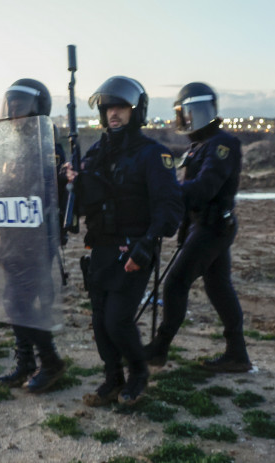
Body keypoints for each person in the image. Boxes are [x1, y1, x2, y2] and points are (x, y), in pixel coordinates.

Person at [69, 76, 183, 406]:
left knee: (118, 320)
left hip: (134, 249)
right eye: (108, 109)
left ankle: (138, 373)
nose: (113, 114)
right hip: (100, 249)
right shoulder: (95, 153)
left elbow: (169, 206)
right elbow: (84, 200)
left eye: (120, 107)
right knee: (100, 321)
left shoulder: (153, 154)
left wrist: (146, 246)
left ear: (136, 111)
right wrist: (72, 181)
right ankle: (112, 378)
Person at [143, 82, 251, 373]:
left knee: (176, 283)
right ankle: (237, 354)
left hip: (214, 227)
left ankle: (160, 348)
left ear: (201, 111)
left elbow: (204, 188)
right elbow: (191, 195)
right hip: (204, 226)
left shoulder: (223, 144)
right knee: (219, 288)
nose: (185, 120)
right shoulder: (200, 145)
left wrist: (167, 191)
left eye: (187, 113)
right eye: (182, 114)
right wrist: (181, 230)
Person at [0, 78, 69, 393]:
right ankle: (25, 361)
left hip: (36, 238)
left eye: (19, 109)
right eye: (10, 108)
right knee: (13, 300)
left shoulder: (47, 146)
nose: (13, 115)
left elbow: (44, 191)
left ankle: (50, 362)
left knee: (19, 302)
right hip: (12, 236)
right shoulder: (13, 149)